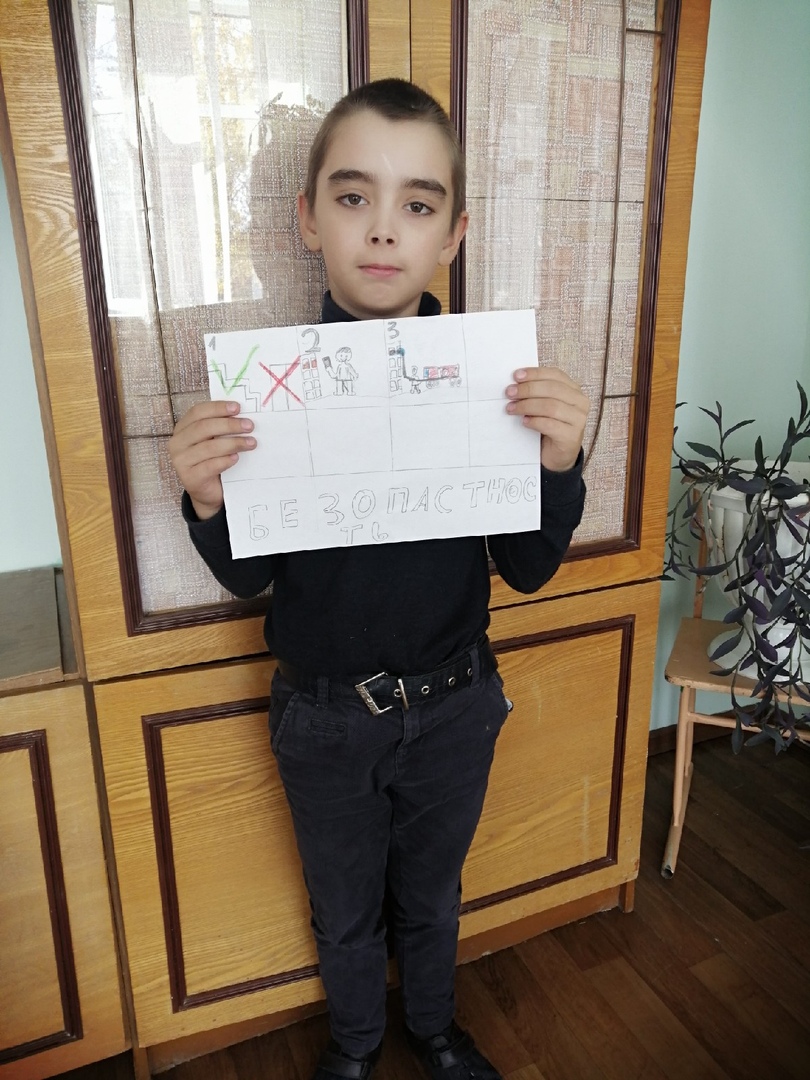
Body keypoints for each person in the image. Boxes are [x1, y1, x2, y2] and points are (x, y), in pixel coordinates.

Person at [169, 79, 589, 1080]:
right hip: (323, 717)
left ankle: (435, 1030)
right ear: (308, 218)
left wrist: (559, 466)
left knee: (433, 896)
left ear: (453, 233)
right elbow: (248, 577)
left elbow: (529, 569)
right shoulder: (268, 394)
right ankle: (355, 1048)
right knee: (344, 906)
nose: (385, 229)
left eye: (419, 203)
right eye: (354, 197)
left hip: (456, 705)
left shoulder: (491, 389)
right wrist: (209, 499)